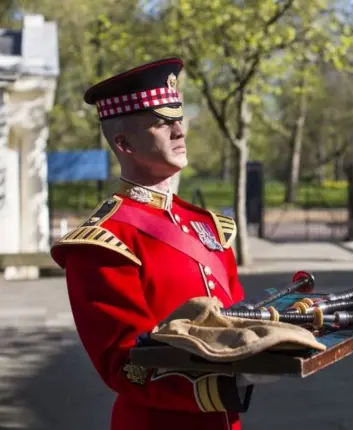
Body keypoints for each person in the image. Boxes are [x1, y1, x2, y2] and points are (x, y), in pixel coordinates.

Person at [51, 58, 255, 430]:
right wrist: (222, 382)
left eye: (179, 119)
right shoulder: (103, 242)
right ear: (124, 143)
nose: (180, 131)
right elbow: (125, 363)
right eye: (163, 123)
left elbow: (238, 319)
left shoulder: (207, 226)